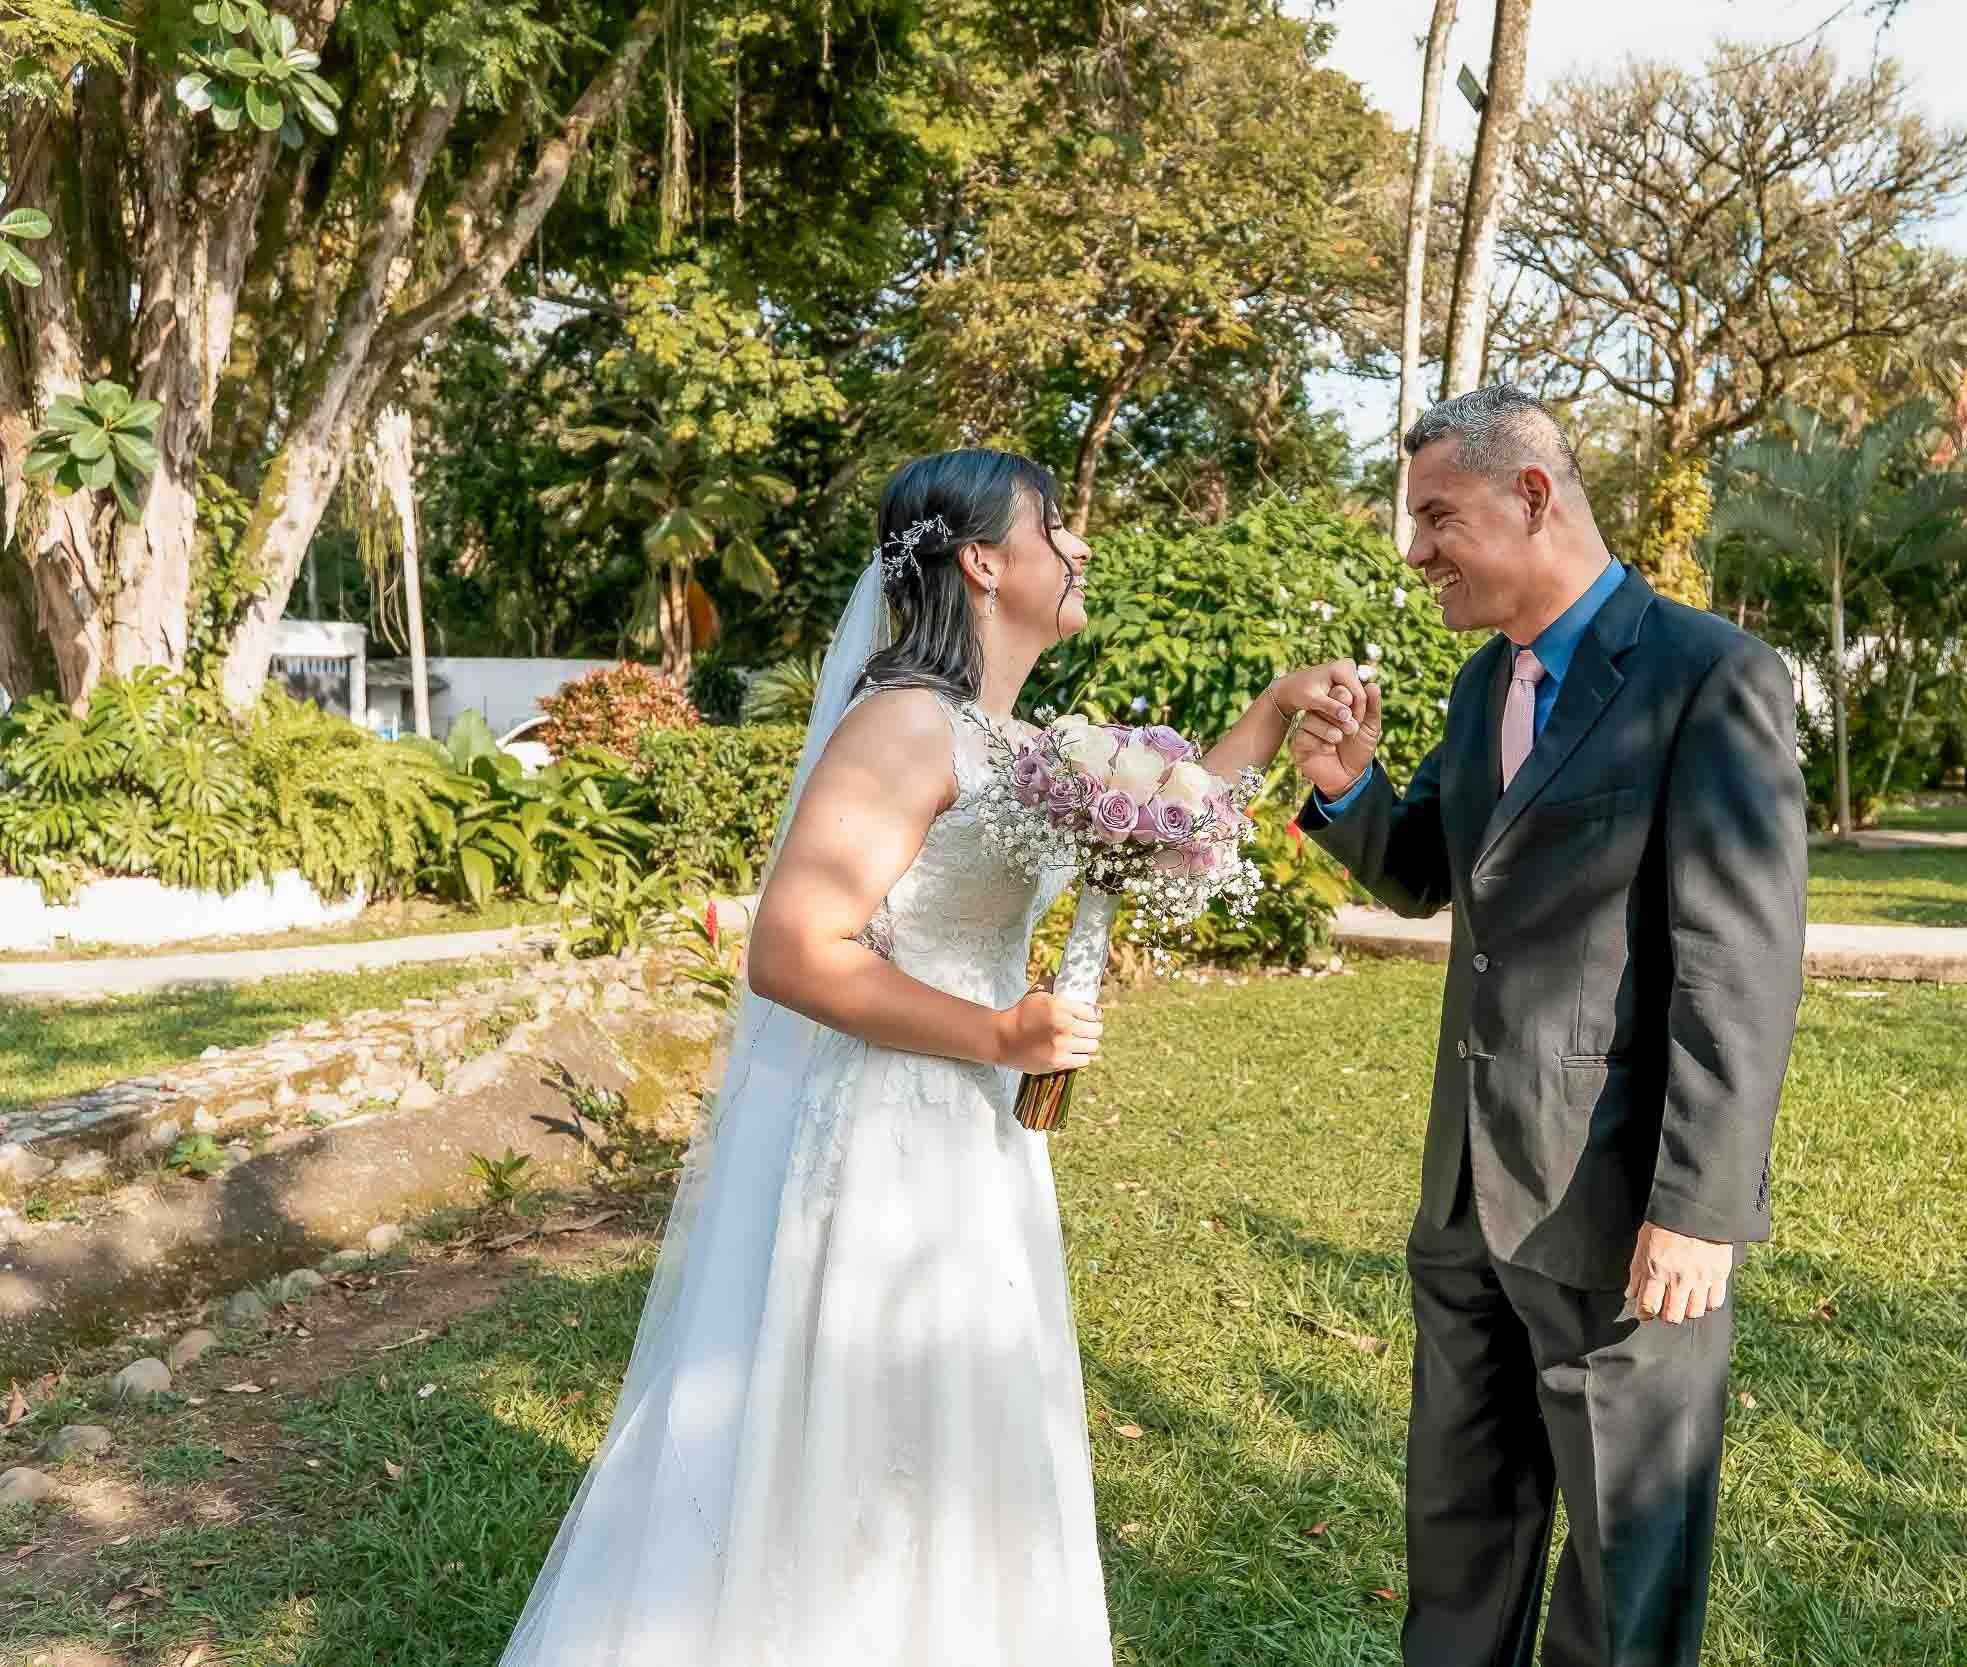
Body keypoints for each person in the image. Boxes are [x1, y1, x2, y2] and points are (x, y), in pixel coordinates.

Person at [494, 448, 1361, 1667]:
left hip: (975, 1137)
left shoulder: (1003, 739)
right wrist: (996, 1034)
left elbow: (1162, 821)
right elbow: (792, 948)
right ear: (984, 561)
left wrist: (1270, 715)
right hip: (893, 1125)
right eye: (1057, 527)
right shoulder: (903, 726)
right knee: (873, 1414)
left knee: (966, 1412)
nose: (1083, 547)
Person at [1277, 385, 1808, 1667]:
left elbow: (1738, 963)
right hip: (1466, 1192)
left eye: (1436, 516)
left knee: (1626, 1565)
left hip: (1622, 1201)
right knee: (1459, 1529)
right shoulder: (1478, 686)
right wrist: (1348, 792)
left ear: (1531, 496)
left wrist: (1698, 1204)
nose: (1417, 552)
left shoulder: (1708, 674)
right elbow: (1435, 871)